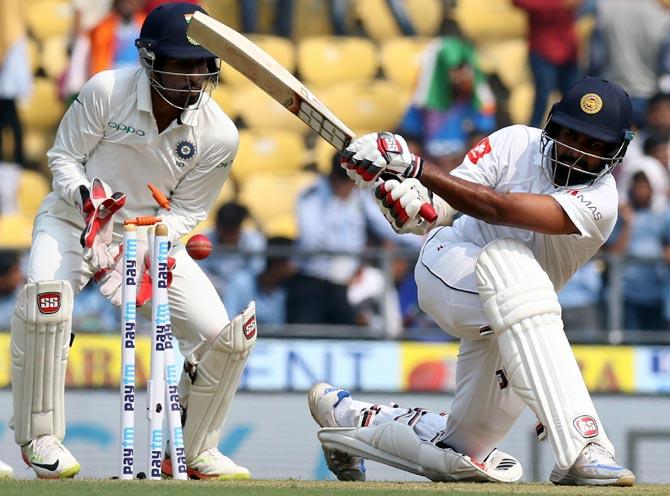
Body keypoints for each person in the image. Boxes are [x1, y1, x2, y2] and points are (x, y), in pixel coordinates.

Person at [308, 77, 637, 486]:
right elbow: (448, 204)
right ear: (553, 127)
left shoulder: (602, 202)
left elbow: (498, 209)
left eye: (595, 144)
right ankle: (585, 447)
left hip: (516, 321)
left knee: (464, 454)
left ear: (616, 152)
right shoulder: (515, 142)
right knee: (511, 260)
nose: (577, 150)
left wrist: (415, 168)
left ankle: (351, 421)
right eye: (571, 134)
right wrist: (413, 204)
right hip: (449, 268)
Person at [10, 3, 255, 480]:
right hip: (71, 220)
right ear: (148, 59)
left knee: (221, 338)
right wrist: (88, 203)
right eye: (181, 65)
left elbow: (186, 212)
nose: (193, 78)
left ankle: (192, 451)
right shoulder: (107, 90)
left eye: (202, 65)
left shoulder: (219, 133)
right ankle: (40, 439)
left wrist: (141, 245)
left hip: (150, 237)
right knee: (46, 305)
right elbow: (63, 158)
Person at [398, 36, 496, 172]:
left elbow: (482, 138)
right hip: (429, 169)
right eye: (455, 69)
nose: (461, 76)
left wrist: (462, 164)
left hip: (465, 168)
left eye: (464, 69)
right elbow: (411, 141)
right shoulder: (421, 103)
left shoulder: (478, 101)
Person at [512, 0, 582, 128]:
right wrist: (560, 4)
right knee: (542, 98)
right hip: (542, 51)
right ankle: (532, 135)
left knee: (574, 98)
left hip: (568, 52)